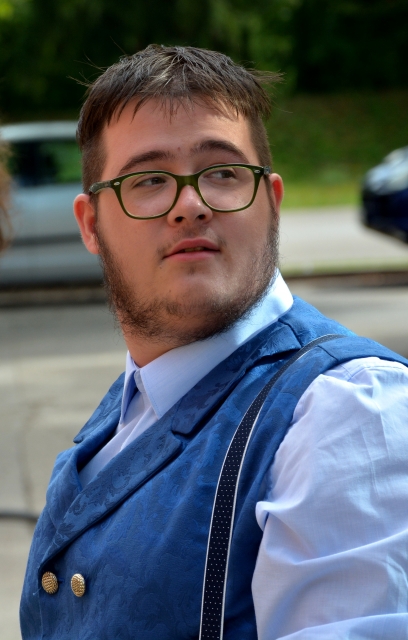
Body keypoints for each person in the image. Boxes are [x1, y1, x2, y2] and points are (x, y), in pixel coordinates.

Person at [20, 45, 408, 639]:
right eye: (149, 180)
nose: (191, 205)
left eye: (223, 173)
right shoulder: (139, 399)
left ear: (271, 202)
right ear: (91, 224)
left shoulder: (348, 411)